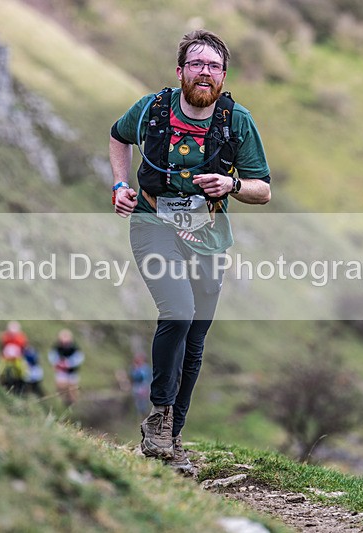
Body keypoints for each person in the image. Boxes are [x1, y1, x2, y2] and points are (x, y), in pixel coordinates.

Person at [109, 29, 271, 472]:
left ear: (223, 76)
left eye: (214, 66)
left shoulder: (237, 121)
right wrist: (120, 184)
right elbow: (118, 136)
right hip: (153, 224)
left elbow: (263, 190)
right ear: (180, 71)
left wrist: (231, 184)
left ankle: (172, 435)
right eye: (196, 64)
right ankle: (159, 417)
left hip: (208, 236)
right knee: (178, 312)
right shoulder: (152, 110)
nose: (205, 72)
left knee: (195, 338)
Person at [48, 329, 85, 406]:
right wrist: (58, 363)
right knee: (61, 388)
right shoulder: (56, 348)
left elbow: (79, 358)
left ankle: (72, 404)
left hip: (72, 372)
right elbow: (52, 356)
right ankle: (61, 403)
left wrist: (68, 363)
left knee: (73, 389)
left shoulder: (75, 348)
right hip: (61, 372)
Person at [129, 351, 152, 417]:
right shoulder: (134, 367)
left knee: (145, 404)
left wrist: (146, 388)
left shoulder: (146, 368)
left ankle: (146, 416)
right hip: (137, 388)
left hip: (144, 388)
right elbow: (133, 377)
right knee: (138, 405)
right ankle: (140, 416)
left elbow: (147, 378)